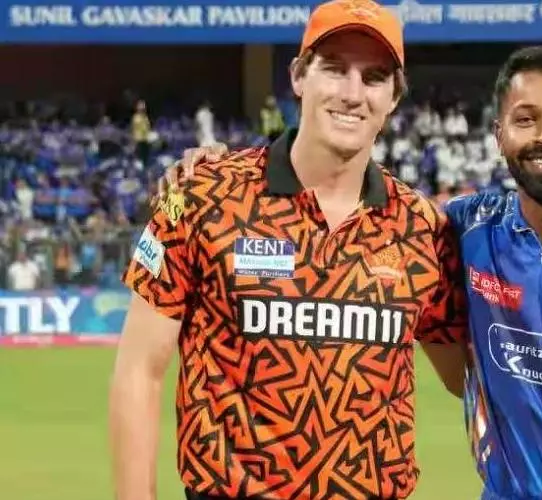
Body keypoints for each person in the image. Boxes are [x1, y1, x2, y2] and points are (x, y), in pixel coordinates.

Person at [163, 46, 542, 499]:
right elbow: (356, 196)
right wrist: (227, 167)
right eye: (525, 119)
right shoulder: (462, 230)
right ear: (499, 136)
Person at [109, 2, 468, 500]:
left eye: (374, 77)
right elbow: (138, 371)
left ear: (394, 98)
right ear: (299, 76)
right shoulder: (201, 195)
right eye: (335, 68)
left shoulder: (422, 227)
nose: (352, 93)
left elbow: (468, 381)